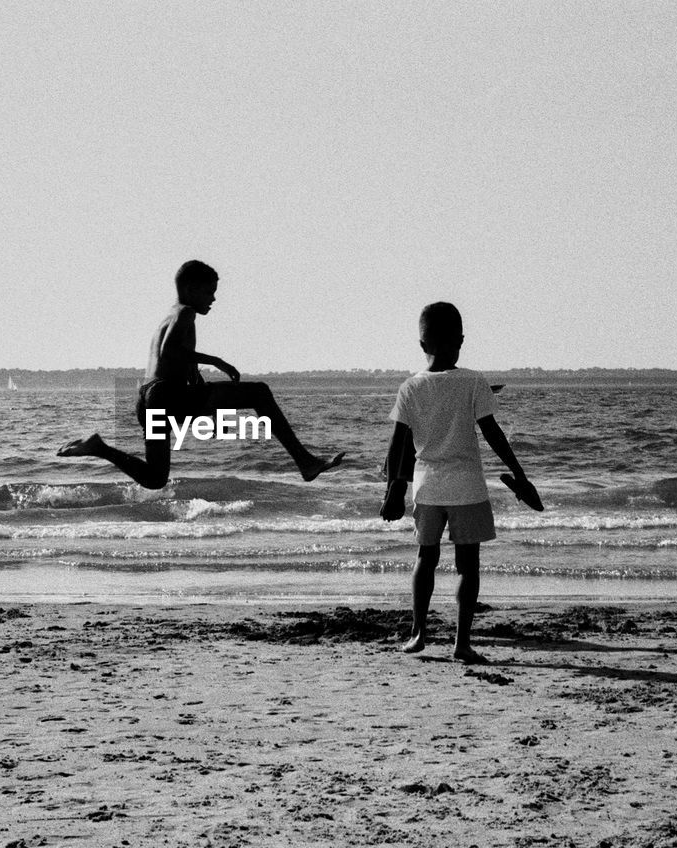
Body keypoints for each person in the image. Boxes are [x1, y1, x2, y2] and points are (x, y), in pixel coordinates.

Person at [58, 260, 346, 488]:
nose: (214, 298)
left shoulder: (170, 316)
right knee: (259, 393)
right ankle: (305, 462)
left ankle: (100, 448)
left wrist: (197, 381)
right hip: (167, 394)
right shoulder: (185, 313)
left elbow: (172, 361)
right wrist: (218, 361)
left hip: (148, 398)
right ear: (190, 289)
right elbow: (171, 352)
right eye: (209, 291)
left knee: (156, 479)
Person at [381, 301, 543, 665]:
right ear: (461, 340)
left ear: (422, 344)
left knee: (426, 557)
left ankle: (417, 633)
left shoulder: (410, 387)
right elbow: (493, 433)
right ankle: (462, 644)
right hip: (467, 485)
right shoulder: (474, 381)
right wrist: (519, 474)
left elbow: (398, 444)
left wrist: (393, 488)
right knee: (468, 566)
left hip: (427, 485)